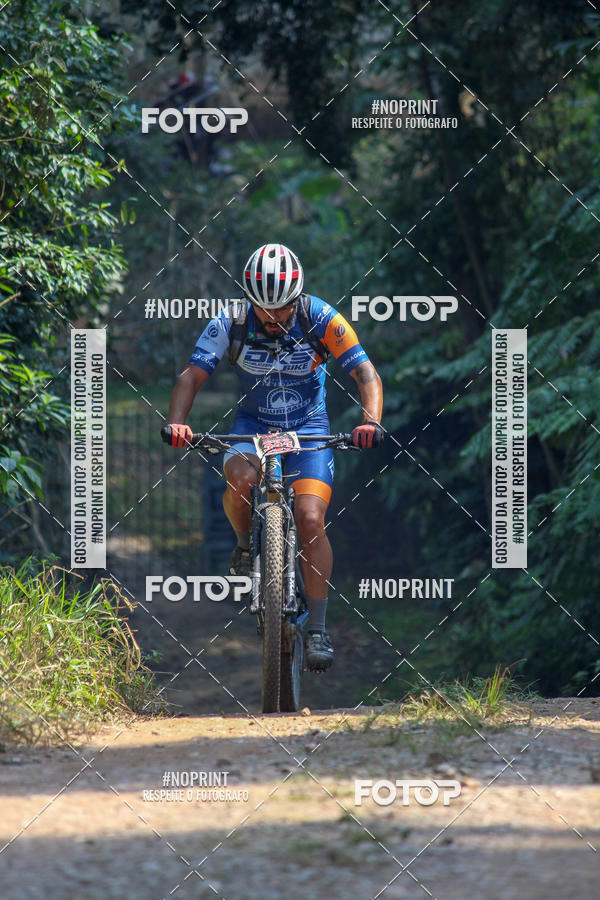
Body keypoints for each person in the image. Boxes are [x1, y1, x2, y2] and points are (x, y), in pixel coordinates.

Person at [163, 243, 383, 671]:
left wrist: (370, 422)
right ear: (249, 299)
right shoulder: (230, 321)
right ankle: (246, 546)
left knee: (311, 518)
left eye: (283, 309)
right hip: (252, 426)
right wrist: (177, 422)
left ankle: (317, 628)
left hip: (310, 429)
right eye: (265, 310)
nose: (275, 318)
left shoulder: (321, 317)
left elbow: (365, 373)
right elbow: (191, 376)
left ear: (297, 296)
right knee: (242, 481)